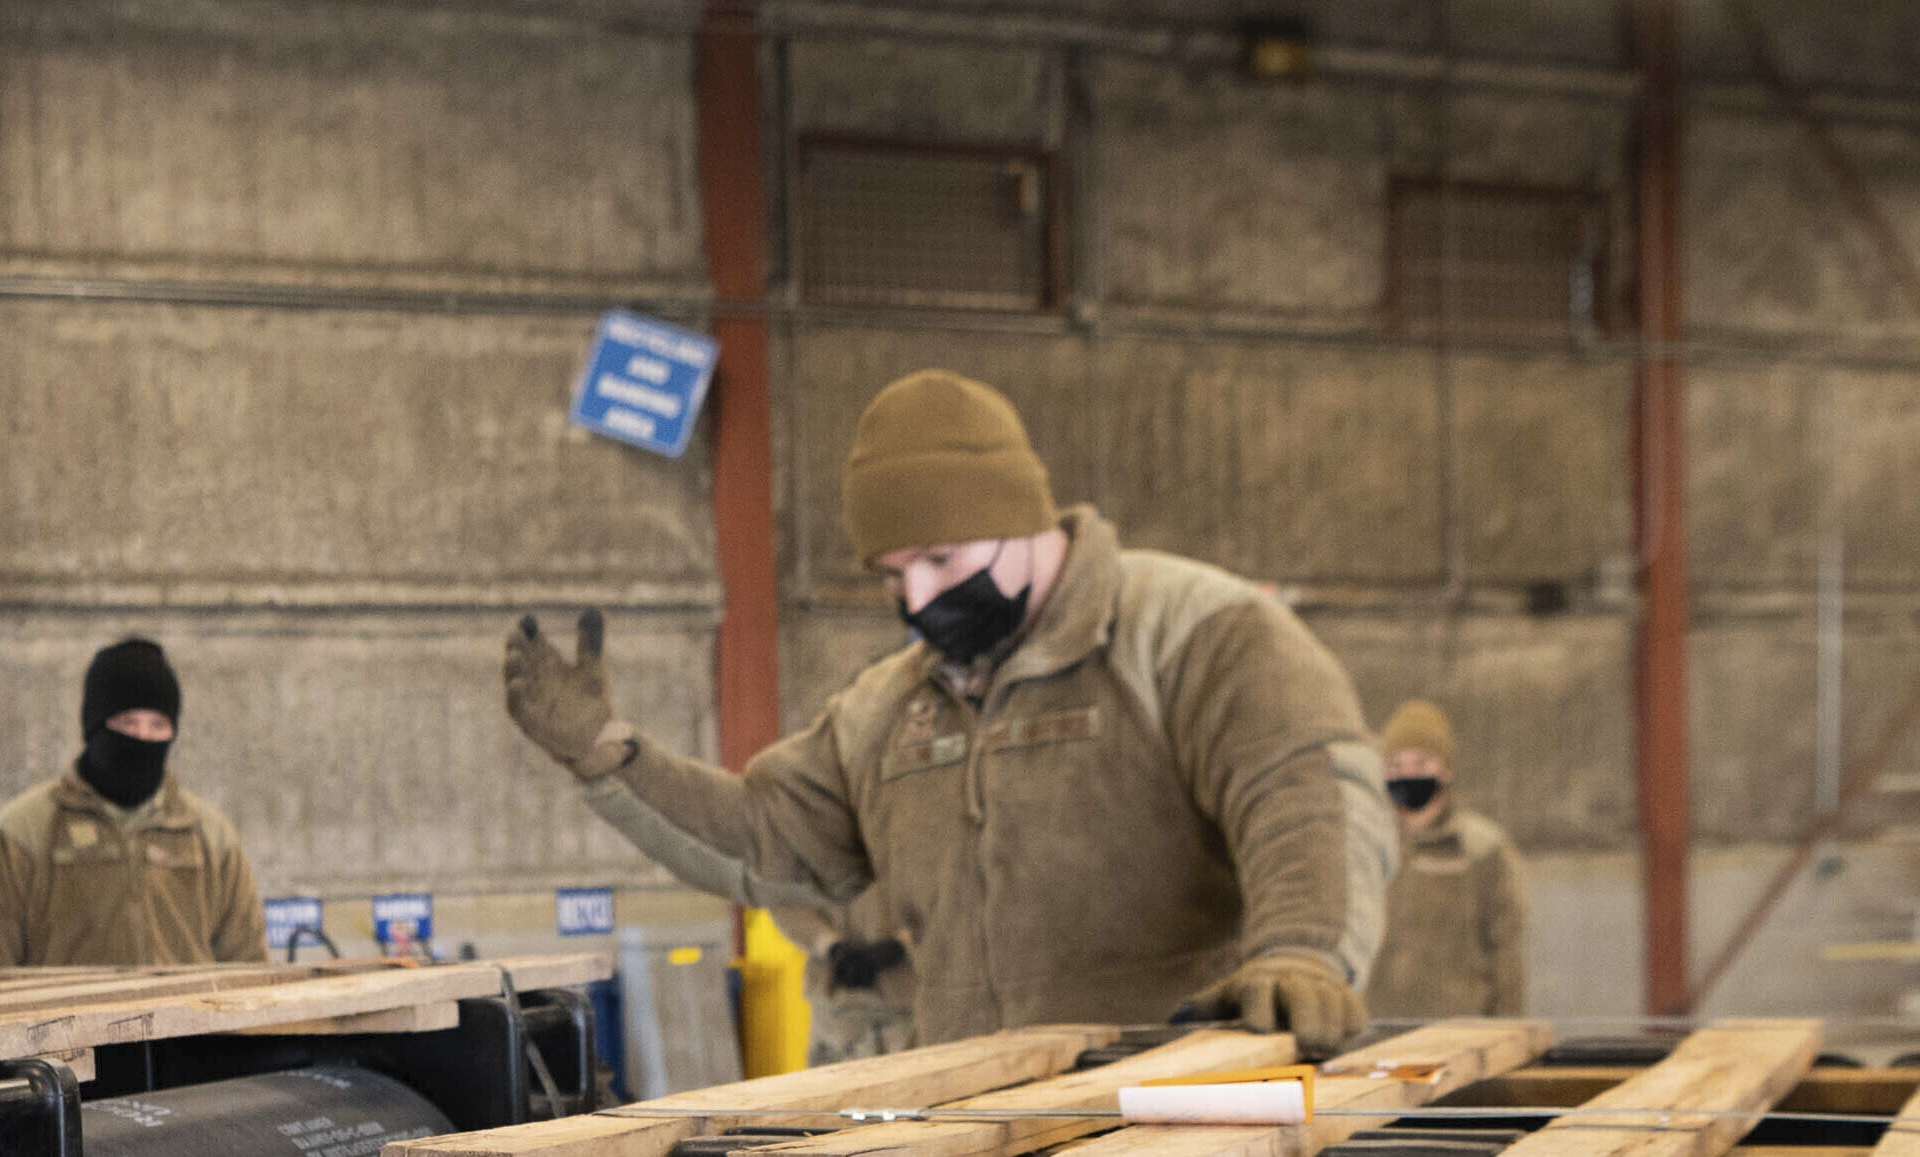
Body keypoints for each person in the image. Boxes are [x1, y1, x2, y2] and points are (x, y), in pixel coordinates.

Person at [502, 371, 1394, 1047]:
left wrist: (1302, 949)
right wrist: (608, 757)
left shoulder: (1198, 633)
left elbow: (1303, 791)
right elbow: (772, 841)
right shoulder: (889, 707)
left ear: (1024, 517)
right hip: (972, 1118)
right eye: (892, 575)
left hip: (1173, 1104)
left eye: (940, 558)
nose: (919, 599)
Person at [0, 638, 264, 968]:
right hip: (63, 1019)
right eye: (127, 723)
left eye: (158, 725)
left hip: (189, 1018)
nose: (142, 739)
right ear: (96, 725)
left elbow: (247, 960)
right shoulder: (22, 834)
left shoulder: (208, 835)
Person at [1361, 698, 1529, 1019]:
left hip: (1459, 1035)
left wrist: (1506, 1030)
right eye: (1395, 766)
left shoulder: (1483, 850)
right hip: (1372, 1033)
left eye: (1422, 763)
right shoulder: (1366, 846)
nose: (1408, 775)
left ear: (1446, 770)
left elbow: (1507, 955)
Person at [780, 888, 919, 1063]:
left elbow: (941, 902)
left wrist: (903, 943)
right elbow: (781, 896)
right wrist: (829, 945)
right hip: (832, 1006)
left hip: (899, 1003)